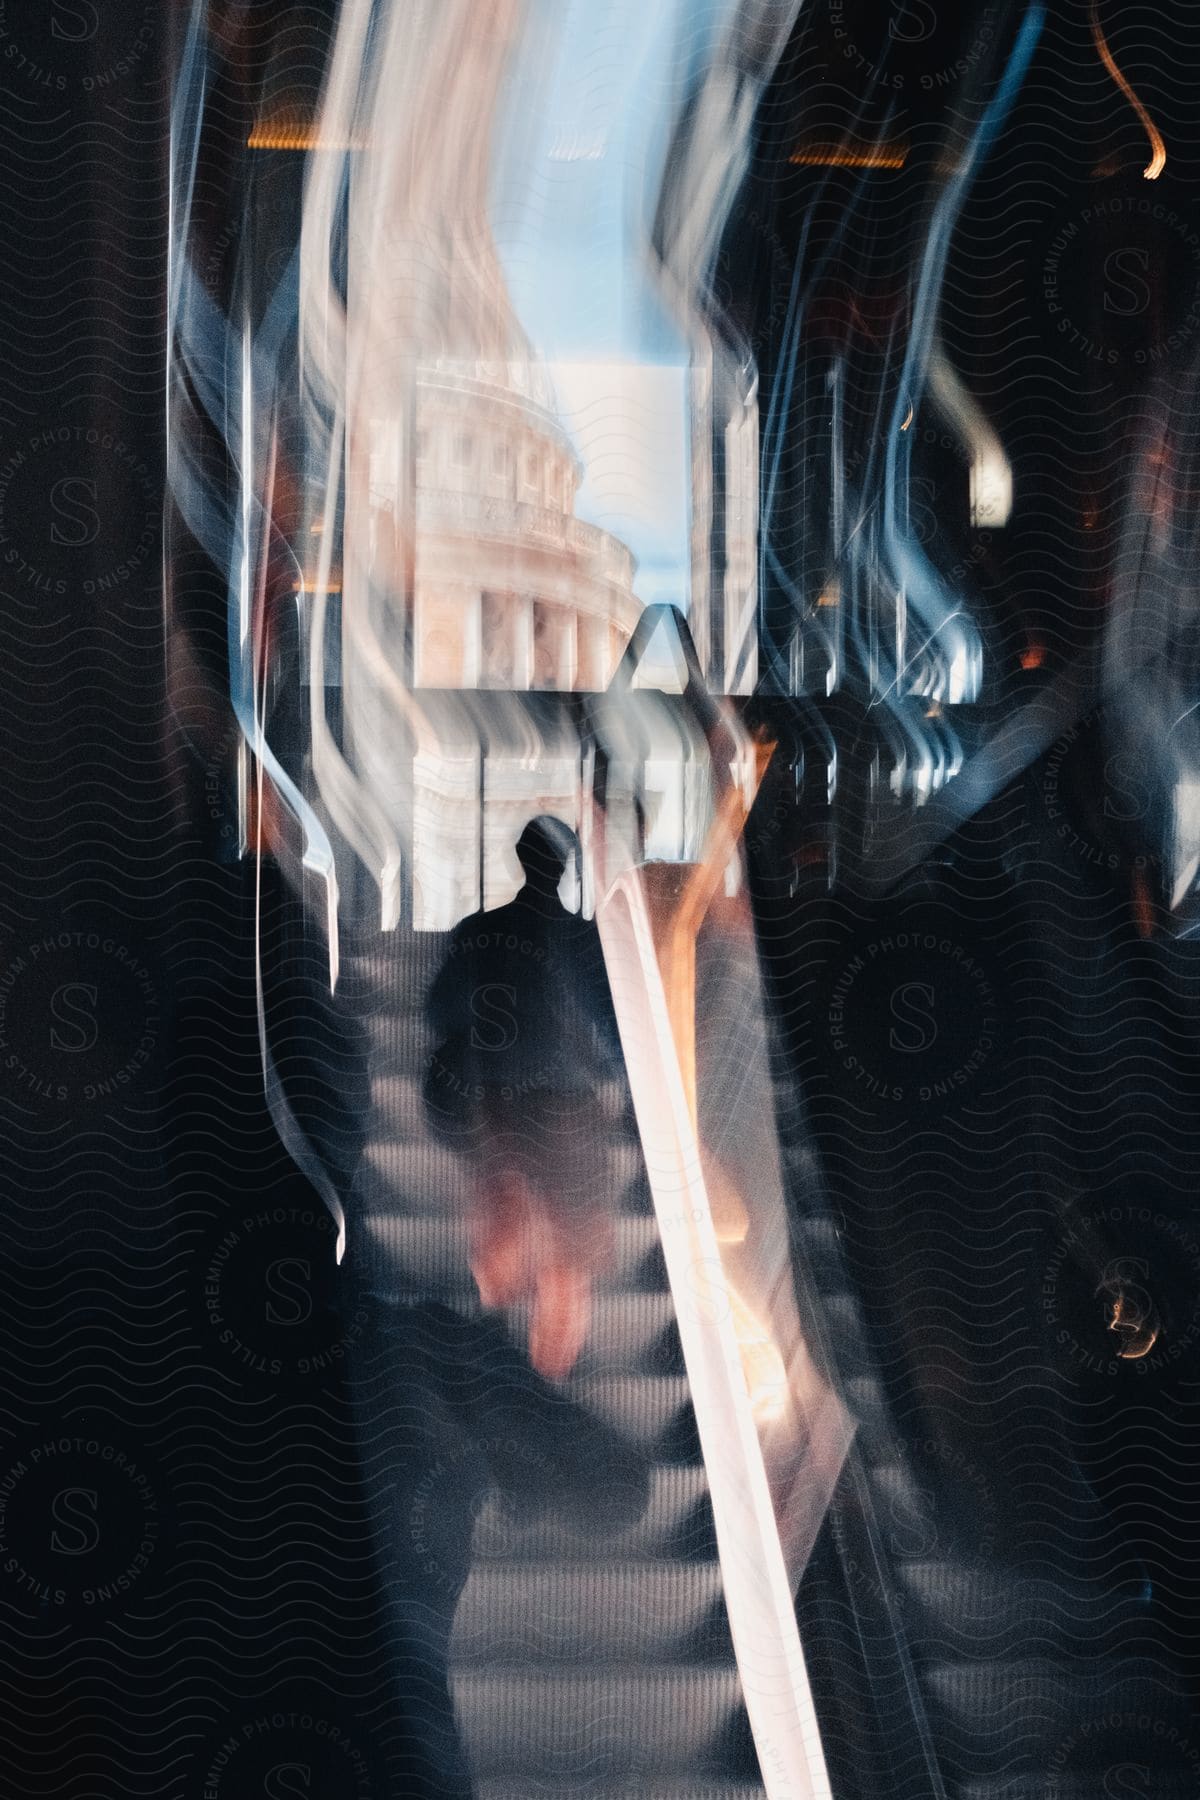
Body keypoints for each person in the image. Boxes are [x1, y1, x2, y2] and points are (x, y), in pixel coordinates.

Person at [424, 816, 625, 1380]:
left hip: (510, 1099)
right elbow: (610, 1029)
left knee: (518, 1236)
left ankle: (507, 1366)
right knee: (567, 1259)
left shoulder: (481, 926)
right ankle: (543, 1380)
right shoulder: (580, 935)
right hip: (558, 1103)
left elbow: (441, 1008)